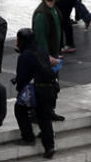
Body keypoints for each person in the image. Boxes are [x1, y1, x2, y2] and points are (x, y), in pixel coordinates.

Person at [13, 27, 58, 159]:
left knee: (19, 109)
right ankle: (49, 146)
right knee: (45, 118)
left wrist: (19, 91)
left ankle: (28, 137)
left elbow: (22, 78)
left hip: (35, 91)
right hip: (49, 90)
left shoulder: (24, 56)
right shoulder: (42, 51)